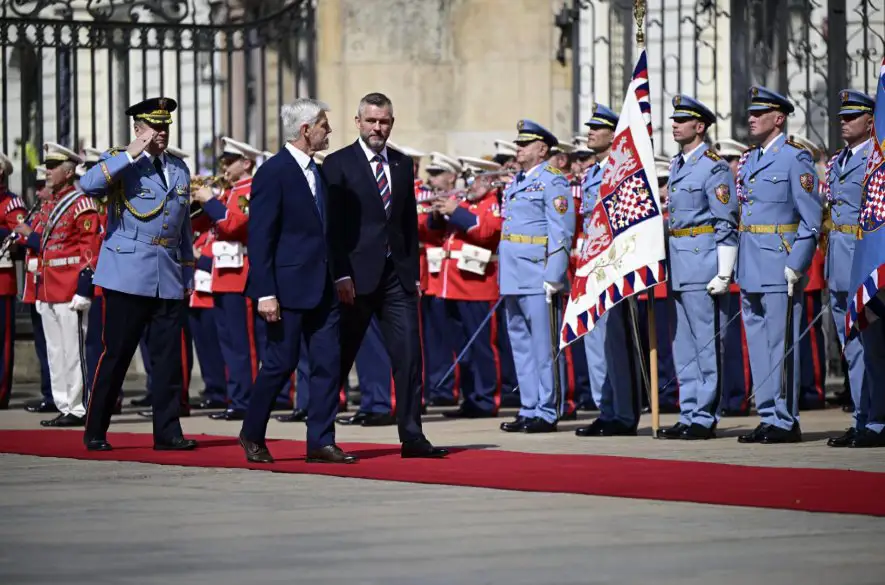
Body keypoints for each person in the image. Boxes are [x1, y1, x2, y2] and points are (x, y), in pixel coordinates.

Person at [323, 92, 447, 458]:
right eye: (372, 121)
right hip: (354, 280)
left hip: (397, 278)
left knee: (409, 357)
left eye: (385, 121)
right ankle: (323, 435)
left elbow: (407, 224)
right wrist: (339, 274)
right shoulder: (338, 164)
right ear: (358, 122)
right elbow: (332, 228)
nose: (378, 128)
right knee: (339, 357)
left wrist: (414, 273)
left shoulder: (401, 164)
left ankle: (412, 436)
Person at [238, 98, 356, 464]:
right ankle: (252, 432)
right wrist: (265, 292)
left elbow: (326, 233)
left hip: (322, 287)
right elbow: (260, 238)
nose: (329, 131)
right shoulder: (274, 172)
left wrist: (340, 275)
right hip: (286, 290)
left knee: (327, 365)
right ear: (306, 129)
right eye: (324, 124)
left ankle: (320, 440)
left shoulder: (318, 172)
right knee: (280, 364)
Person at [78, 97, 198, 452]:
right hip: (127, 273)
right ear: (138, 128)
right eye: (154, 127)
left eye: (165, 127)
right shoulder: (121, 162)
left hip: (167, 274)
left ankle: (167, 431)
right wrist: (131, 153)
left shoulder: (178, 168)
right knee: (116, 355)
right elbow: (87, 186)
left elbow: (183, 225)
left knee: (167, 361)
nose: (160, 134)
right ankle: (96, 428)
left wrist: (187, 269)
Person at [735, 86, 822, 445]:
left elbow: (812, 219)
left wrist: (796, 262)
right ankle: (768, 414)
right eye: (750, 112)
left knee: (780, 342)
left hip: (778, 262)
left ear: (779, 118)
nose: (751, 118)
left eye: (760, 113)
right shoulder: (752, 159)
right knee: (757, 343)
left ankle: (786, 419)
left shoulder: (794, 159)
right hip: (752, 262)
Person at [656, 95, 738, 440]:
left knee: (706, 342)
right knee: (683, 343)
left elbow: (725, 220)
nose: (674, 124)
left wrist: (724, 270)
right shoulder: (677, 164)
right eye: (673, 119)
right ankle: (689, 409)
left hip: (702, 261)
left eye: (682, 120)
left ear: (699, 126)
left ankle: (705, 414)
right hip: (679, 261)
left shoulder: (713, 165)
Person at [14, 142, 102, 427]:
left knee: (73, 351)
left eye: (52, 167)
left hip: (69, 288)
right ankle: (63, 403)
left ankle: (78, 407)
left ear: (68, 171)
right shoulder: (49, 204)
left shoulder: (81, 203)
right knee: (55, 350)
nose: (48, 172)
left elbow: (90, 250)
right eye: (48, 167)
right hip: (48, 286)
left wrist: (84, 289)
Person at [497, 119, 575, 434]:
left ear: (541, 149)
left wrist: (554, 274)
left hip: (538, 273)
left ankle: (547, 408)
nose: (518, 149)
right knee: (521, 344)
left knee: (544, 346)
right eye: (518, 143)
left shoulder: (552, 180)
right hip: (514, 274)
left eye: (524, 144)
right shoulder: (517, 181)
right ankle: (529, 405)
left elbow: (561, 229)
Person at [574, 105, 641, 437]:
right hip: (593, 267)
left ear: (613, 136)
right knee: (595, 342)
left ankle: (625, 414)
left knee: (616, 343)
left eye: (596, 128)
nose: (589, 132)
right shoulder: (590, 174)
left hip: (614, 266)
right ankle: (607, 409)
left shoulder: (623, 170)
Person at [429, 160, 504, 418]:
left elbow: (486, 232)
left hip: (477, 287)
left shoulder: (493, 203)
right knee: (462, 349)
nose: (470, 184)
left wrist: (456, 211)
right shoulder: (465, 202)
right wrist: (438, 215)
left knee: (482, 347)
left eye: (477, 178)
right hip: (453, 286)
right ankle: (470, 397)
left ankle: (485, 399)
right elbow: (437, 234)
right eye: (468, 178)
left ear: (490, 180)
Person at [823, 90, 875, 447]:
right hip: (838, 264)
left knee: (873, 346)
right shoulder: (838, 160)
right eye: (842, 117)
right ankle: (861, 417)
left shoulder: (877, 158)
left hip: (863, 262)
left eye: (852, 117)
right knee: (852, 348)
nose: (844, 122)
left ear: (871, 121)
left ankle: (876, 420)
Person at [21, 166, 56, 414]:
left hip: (51, 284)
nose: (39, 191)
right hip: (35, 285)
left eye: (44, 186)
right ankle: (49, 393)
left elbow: (51, 244)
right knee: (43, 346)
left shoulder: (57, 210)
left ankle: (56, 395)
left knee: (55, 346)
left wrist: (28, 234)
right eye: (38, 186)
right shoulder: (40, 211)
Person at [0, 150, 24, 410]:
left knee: (3, 340)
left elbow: (19, 234)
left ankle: (1, 392)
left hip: (2, 280)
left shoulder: (11, 204)